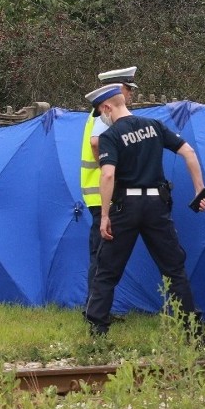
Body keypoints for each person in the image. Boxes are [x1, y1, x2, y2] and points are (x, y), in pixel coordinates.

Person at [83, 83, 205, 338]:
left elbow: (108, 174)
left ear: (107, 107)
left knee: (107, 270)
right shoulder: (154, 126)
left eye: (101, 111)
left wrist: (105, 216)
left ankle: (97, 332)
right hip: (157, 206)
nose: (102, 117)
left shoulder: (110, 136)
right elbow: (188, 152)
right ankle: (194, 333)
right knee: (174, 270)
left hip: (126, 207)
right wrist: (200, 191)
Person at [80, 67, 139, 307]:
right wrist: (110, 168)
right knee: (103, 257)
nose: (131, 95)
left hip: (98, 195)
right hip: (104, 195)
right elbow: (96, 144)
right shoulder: (106, 114)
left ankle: (95, 308)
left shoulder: (97, 113)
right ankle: (94, 310)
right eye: (128, 89)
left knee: (101, 256)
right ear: (117, 89)